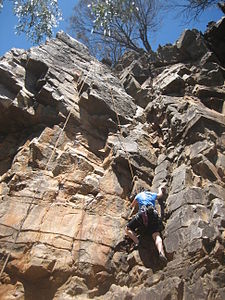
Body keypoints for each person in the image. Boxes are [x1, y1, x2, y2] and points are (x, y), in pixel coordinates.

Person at [125, 186, 167, 263]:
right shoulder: (152, 194)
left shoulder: (139, 195)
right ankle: (161, 253)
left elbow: (132, 206)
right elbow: (160, 195)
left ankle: (138, 243)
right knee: (156, 235)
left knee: (128, 229)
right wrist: (160, 188)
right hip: (153, 214)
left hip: (142, 214)